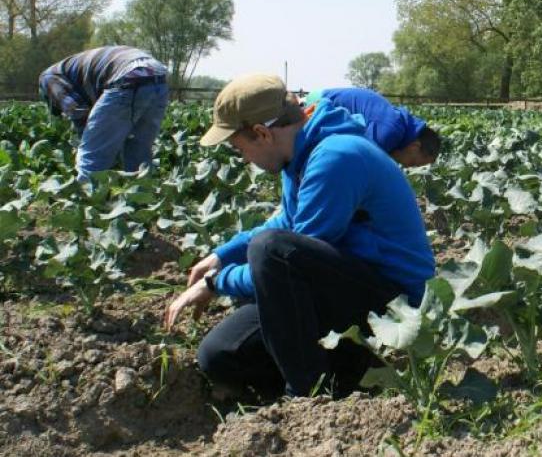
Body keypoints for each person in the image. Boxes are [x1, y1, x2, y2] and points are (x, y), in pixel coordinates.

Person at [163, 74, 435, 397]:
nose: (243, 159)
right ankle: (346, 378)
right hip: (345, 289)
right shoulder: (296, 154)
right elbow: (283, 222)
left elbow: (283, 260)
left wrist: (215, 283)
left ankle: (307, 395)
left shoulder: (336, 156)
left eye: (240, 149)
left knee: (270, 252)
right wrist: (221, 256)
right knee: (219, 355)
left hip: (394, 304)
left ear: (262, 134)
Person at [38, 46, 169, 181]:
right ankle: (141, 197)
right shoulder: (73, 69)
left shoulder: (47, 78)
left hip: (127, 77)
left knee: (91, 157)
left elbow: (78, 111)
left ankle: (87, 198)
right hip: (158, 77)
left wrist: (84, 139)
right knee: (138, 152)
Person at [303, 87, 441, 167]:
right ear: (415, 146)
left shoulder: (401, 129)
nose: (408, 167)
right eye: (413, 163)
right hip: (318, 104)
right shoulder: (389, 132)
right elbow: (360, 164)